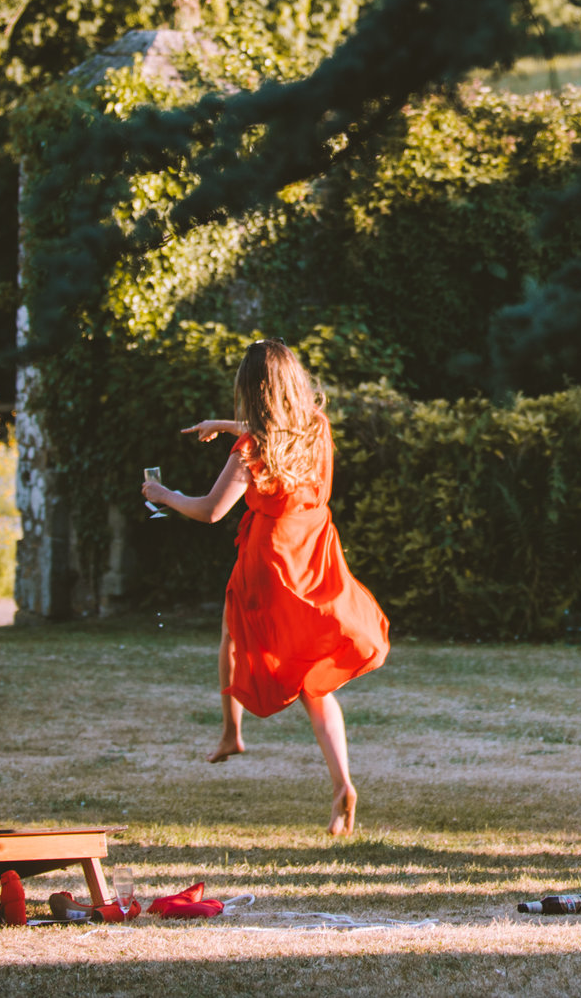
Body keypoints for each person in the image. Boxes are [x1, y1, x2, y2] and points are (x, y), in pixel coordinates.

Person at [151, 338, 389, 835]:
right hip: (315, 551)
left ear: (249, 390)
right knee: (311, 678)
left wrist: (164, 494)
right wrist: (224, 425)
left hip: (269, 556)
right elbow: (276, 427)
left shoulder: (252, 447)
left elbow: (211, 511)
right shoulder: (315, 428)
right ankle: (342, 783)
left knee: (232, 636)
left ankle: (231, 732)